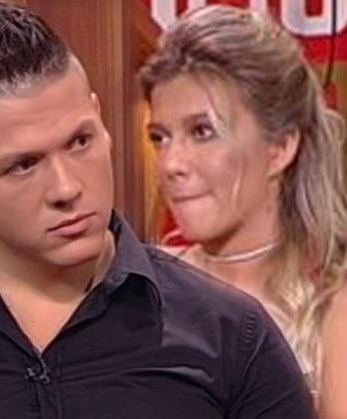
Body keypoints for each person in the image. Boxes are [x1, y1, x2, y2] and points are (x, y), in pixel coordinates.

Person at [0, 2, 315, 418]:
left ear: (100, 119)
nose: (67, 188)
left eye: (80, 142)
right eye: (24, 165)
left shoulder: (231, 334)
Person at [140, 4, 347, 417]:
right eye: (161, 137)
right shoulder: (137, 291)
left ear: (280, 147)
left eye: (202, 131)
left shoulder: (331, 304)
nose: (170, 163)